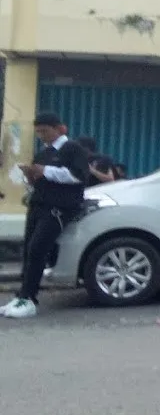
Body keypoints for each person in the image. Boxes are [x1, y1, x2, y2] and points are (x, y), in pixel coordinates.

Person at [3, 113, 90, 319]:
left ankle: (30, 299)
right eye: (39, 132)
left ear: (60, 129)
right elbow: (41, 179)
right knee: (28, 251)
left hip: (58, 208)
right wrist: (30, 175)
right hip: (38, 206)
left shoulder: (73, 149)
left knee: (37, 249)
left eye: (45, 131)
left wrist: (46, 171)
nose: (42, 136)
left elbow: (78, 176)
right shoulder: (43, 152)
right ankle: (22, 296)